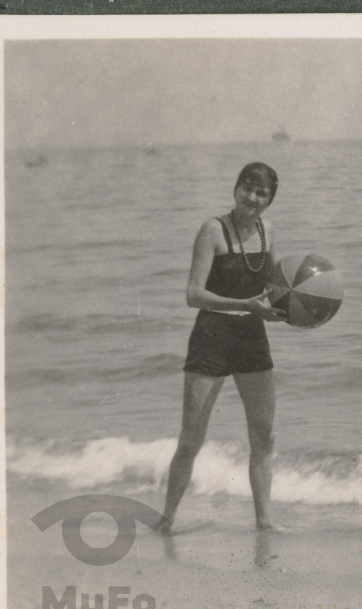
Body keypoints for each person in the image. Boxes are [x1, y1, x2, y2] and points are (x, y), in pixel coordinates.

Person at [155, 162, 285, 534]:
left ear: (269, 201)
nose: (253, 198)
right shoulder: (213, 229)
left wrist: (302, 311)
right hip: (211, 338)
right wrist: (247, 306)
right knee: (191, 438)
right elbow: (193, 294)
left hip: (252, 339)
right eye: (247, 188)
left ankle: (264, 522)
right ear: (235, 188)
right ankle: (167, 520)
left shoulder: (269, 231)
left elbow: (276, 289)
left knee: (263, 436)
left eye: (262, 193)